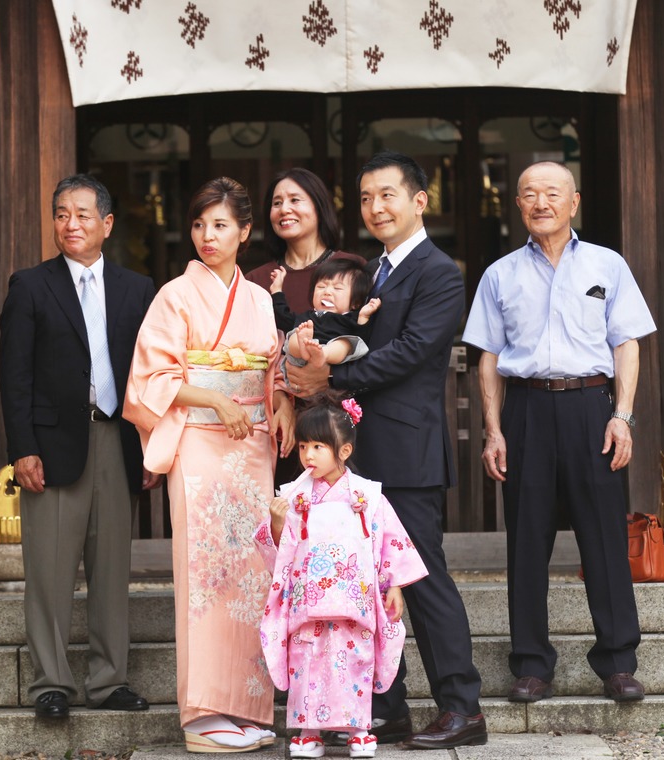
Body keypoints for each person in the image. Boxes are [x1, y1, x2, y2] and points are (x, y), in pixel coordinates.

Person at [287, 152, 486, 750]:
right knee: (368, 583)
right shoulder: (375, 270)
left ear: (419, 200)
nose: (376, 207)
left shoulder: (439, 272)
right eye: (367, 198)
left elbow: (413, 351)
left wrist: (334, 381)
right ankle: (387, 706)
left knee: (421, 580)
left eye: (388, 195)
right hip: (363, 452)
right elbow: (349, 336)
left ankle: (462, 706)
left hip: (409, 450)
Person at [461, 161, 657, 704]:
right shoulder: (500, 273)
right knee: (526, 541)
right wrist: (493, 431)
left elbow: (627, 344)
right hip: (525, 410)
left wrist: (623, 415)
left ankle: (617, 663)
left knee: (604, 538)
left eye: (552, 193)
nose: (540, 202)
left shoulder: (607, 264)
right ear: (518, 205)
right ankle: (530, 665)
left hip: (592, 407)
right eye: (529, 194)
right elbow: (488, 357)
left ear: (574, 203)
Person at [123, 177, 295, 753]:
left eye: (220, 225)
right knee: (204, 575)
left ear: (245, 232)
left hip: (252, 445)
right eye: (199, 225)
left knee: (253, 573)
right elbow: (152, 377)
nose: (207, 236)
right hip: (200, 444)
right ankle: (200, 716)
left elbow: (270, 369)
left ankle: (247, 706)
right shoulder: (174, 295)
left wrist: (280, 404)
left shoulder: (259, 297)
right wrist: (217, 398)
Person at [0, 174, 156, 720]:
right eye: (62, 214)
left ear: (106, 224)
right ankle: (51, 683)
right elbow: (13, 376)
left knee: (112, 567)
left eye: (83, 214)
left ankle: (110, 681)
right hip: (51, 442)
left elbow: (153, 373)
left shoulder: (139, 290)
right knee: (49, 567)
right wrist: (22, 448)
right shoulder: (30, 286)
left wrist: (152, 445)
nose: (71, 224)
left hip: (118, 437)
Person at [255, 397, 428, 760]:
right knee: (306, 662)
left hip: (354, 599)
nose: (308, 455)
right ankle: (307, 731)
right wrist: (275, 521)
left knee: (355, 662)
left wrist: (394, 583)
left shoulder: (367, 495)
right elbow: (280, 548)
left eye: (318, 446)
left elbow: (388, 541)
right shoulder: (294, 496)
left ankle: (359, 729)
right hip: (309, 601)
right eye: (303, 446)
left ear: (344, 450)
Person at [246, 167, 344, 331]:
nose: (284, 210)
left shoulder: (351, 267)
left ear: (319, 206)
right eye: (277, 203)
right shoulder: (255, 280)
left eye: (295, 200)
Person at [272, 255, 381, 368]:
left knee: (347, 343)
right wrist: (276, 290)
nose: (327, 292)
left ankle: (323, 354)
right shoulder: (306, 318)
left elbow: (363, 338)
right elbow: (281, 317)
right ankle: (303, 347)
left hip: (333, 365)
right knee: (294, 335)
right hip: (300, 362)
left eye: (337, 288)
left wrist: (364, 316)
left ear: (356, 303)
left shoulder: (352, 319)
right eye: (321, 287)